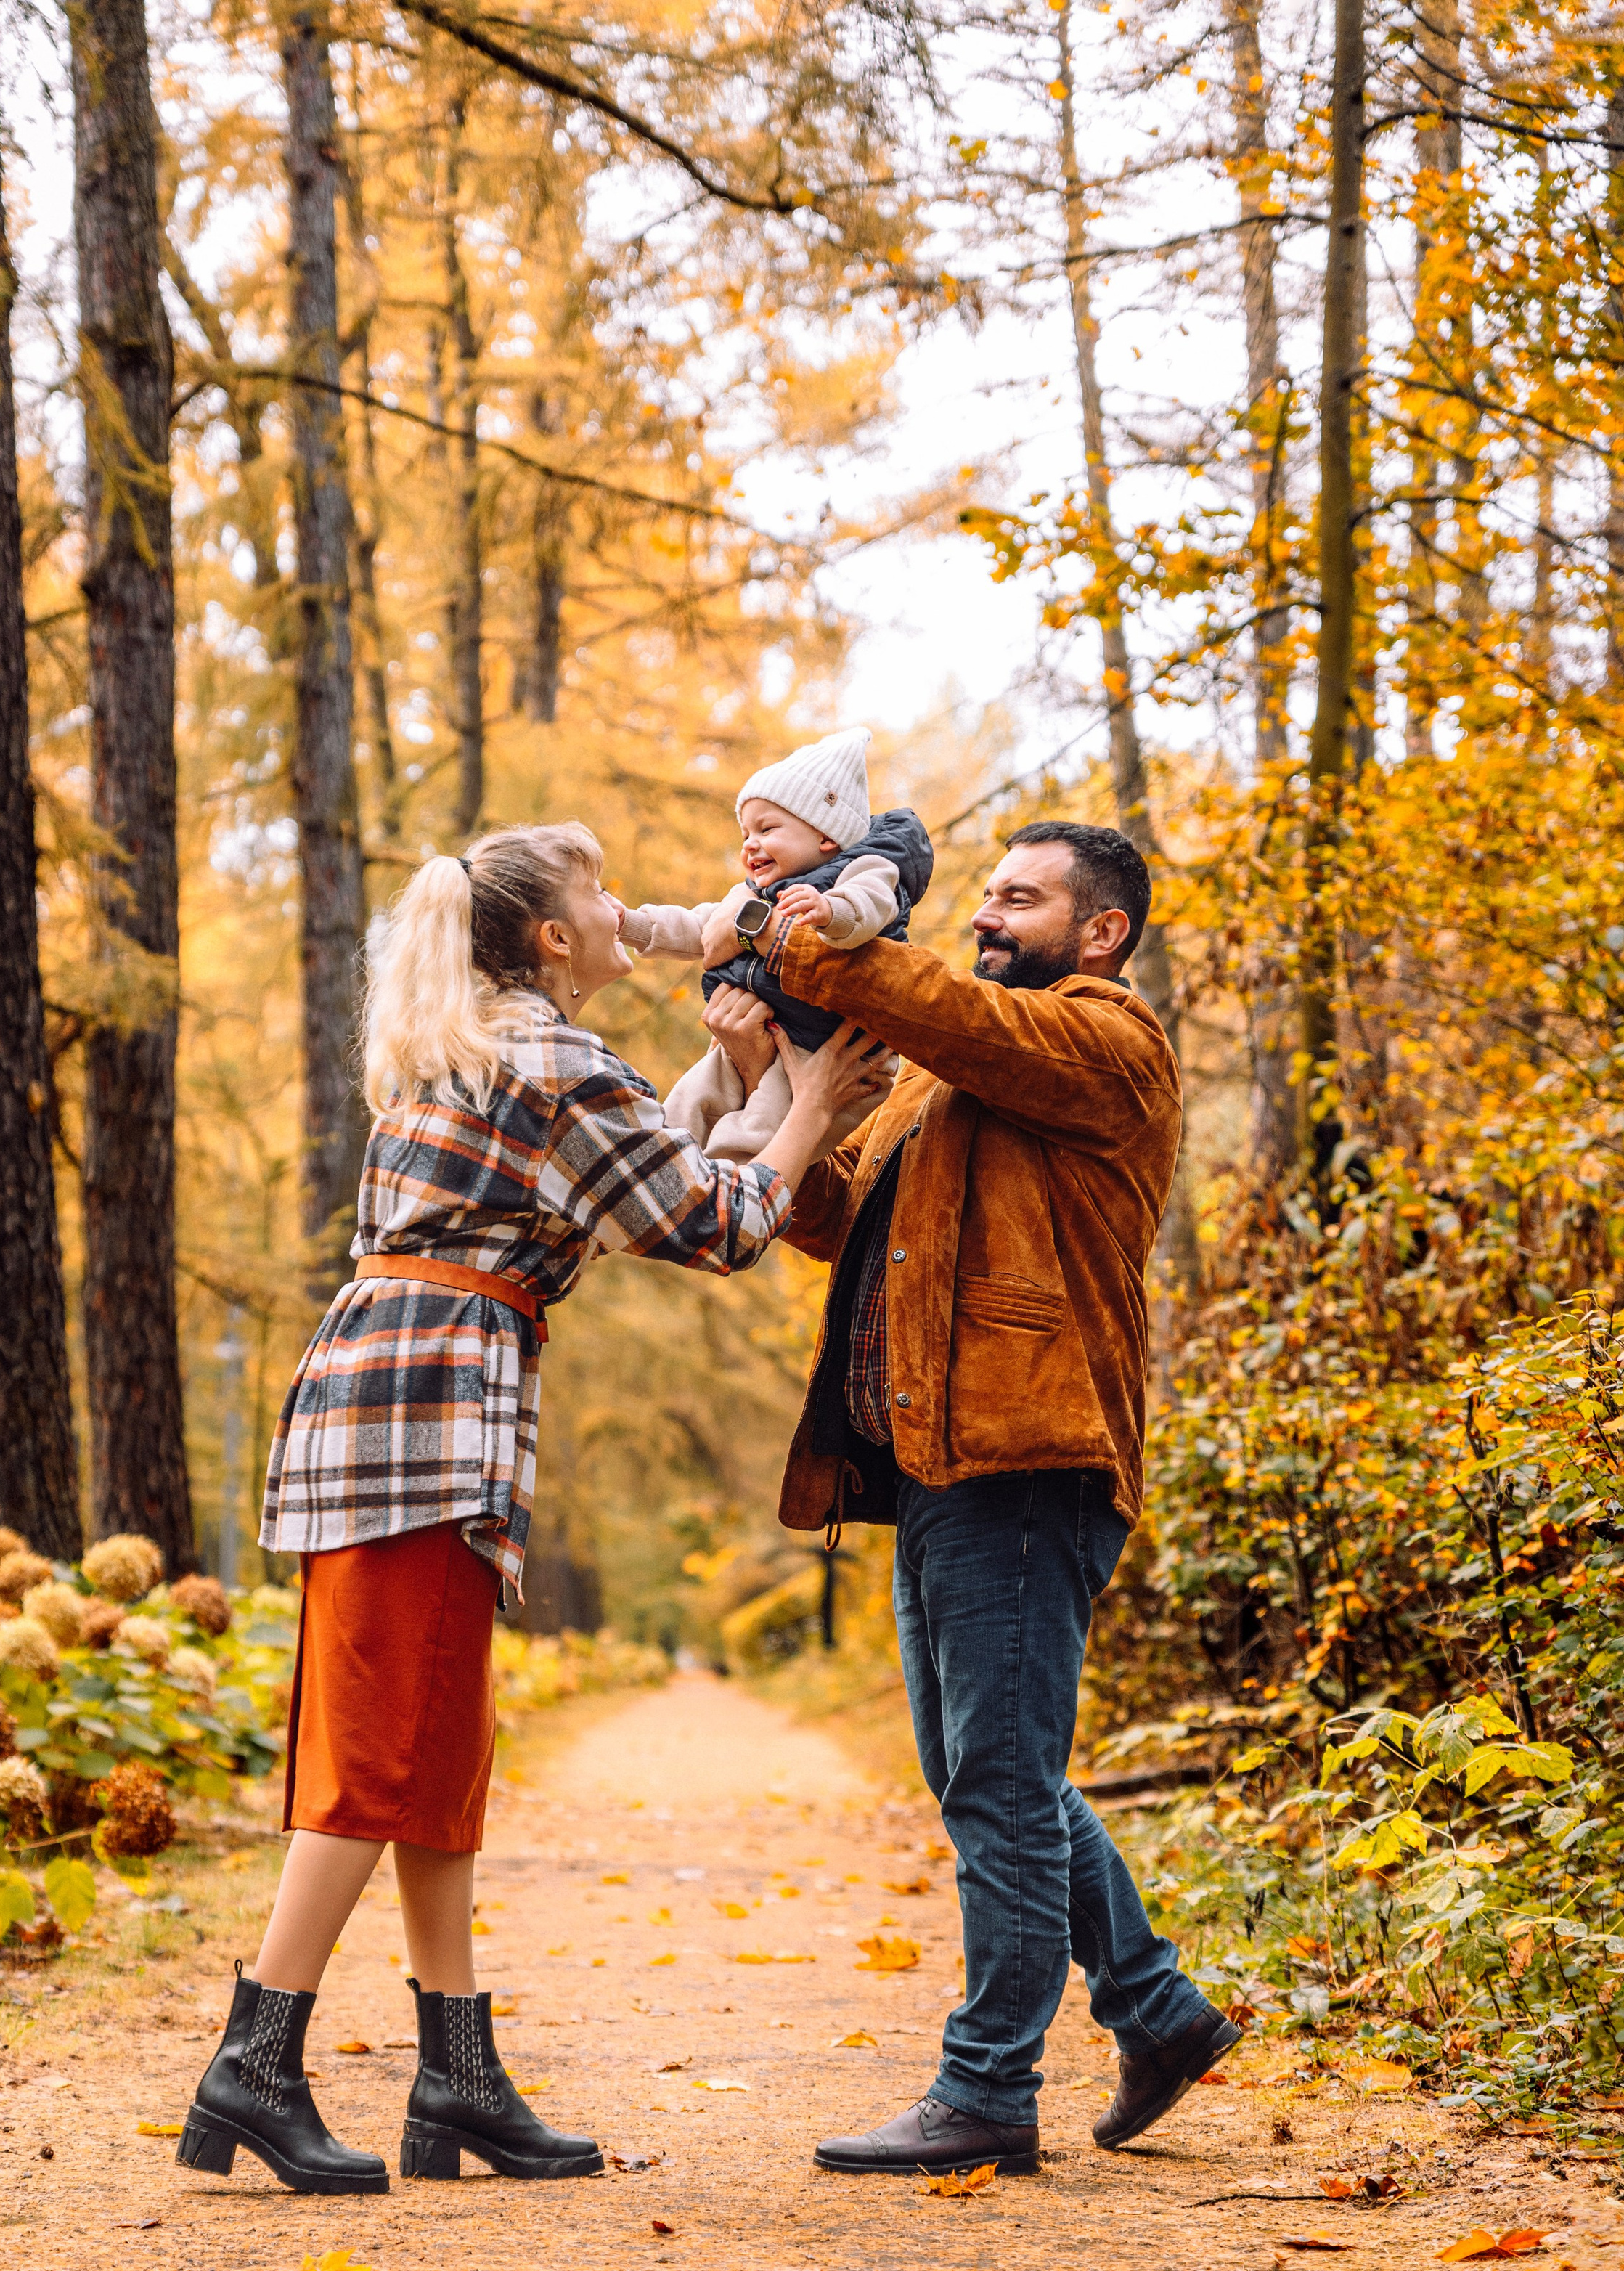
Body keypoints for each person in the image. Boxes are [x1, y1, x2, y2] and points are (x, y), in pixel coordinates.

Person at [177, 820, 889, 2197]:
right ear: (555, 937)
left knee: (431, 1750)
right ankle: (255, 2060)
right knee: (386, 1750)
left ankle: (457, 2076)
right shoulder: (552, 1059)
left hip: (395, 1406)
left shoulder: (492, 1045)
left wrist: (754, 1083)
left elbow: (638, 1173)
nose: (628, 907)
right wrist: (812, 1102)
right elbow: (715, 1223)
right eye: (600, 892)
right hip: (422, 1421)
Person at [703, 819, 1241, 2176]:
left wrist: (829, 929)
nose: (991, 912)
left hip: (1028, 1456)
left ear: (1101, 928)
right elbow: (828, 1218)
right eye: (986, 892)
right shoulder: (955, 1081)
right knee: (987, 1772)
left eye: (1020, 895)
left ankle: (991, 2084)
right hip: (941, 1463)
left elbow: (933, 998)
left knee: (997, 1778)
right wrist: (774, 1072)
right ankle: (1157, 2010)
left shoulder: (1106, 1039)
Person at [621, 726, 932, 1159]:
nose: (751, 844)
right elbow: (699, 925)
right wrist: (633, 923)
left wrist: (830, 911)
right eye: (745, 834)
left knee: (756, 1132)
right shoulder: (754, 895)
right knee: (686, 1103)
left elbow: (871, 905)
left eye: (766, 829)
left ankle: (727, 1201)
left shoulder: (868, 868)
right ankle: (654, 1169)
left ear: (825, 835)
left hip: (823, 1050)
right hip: (767, 1031)